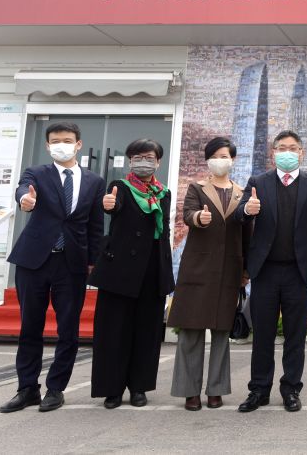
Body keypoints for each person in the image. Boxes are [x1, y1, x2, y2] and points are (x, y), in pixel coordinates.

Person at [0, 122, 105, 413]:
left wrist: (93, 263)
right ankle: (27, 388)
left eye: (67, 140)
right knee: (30, 326)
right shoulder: (36, 173)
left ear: (78, 144)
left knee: (68, 329)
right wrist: (26, 200)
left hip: (71, 263)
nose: (62, 145)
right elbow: (23, 191)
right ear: (47, 146)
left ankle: (56, 389)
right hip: (33, 260)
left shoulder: (95, 181)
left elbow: (96, 225)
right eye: (56, 141)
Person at [235, 130, 307, 413]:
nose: (287, 152)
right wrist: (248, 209)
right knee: (262, 335)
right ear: (273, 152)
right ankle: (259, 389)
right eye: (281, 148)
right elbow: (239, 215)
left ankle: (291, 389)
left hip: (299, 273)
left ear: (301, 152)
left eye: (292, 148)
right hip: (265, 271)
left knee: (295, 336)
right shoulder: (258, 183)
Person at [89, 138, 175, 409]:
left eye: (149, 157)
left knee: (147, 332)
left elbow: (164, 230)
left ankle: (139, 387)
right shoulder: (120, 187)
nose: (143, 162)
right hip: (120, 271)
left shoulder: (164, 193)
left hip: (153, 269)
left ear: (158, 162)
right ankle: (111, 389)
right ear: (129, 161)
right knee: (113, 331)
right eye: (137, 157)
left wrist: (167, 269)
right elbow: (112, 207)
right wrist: (108, 205)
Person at [168, 137, 251, 410]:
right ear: (207, 160)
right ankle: (189, 391)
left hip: (229, 270)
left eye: (224, 156)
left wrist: (246, 270)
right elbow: (187, 213)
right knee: (191, 332)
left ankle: (216, 390)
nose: (220, 160)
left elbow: (248, 234)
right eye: (214, 156)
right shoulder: (197, 188)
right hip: (198, 269)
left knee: (221, 332)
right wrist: (198, 218)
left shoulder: (242, 193)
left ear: (233, 160)